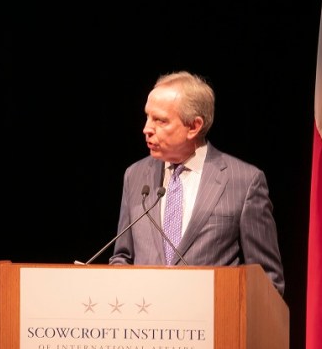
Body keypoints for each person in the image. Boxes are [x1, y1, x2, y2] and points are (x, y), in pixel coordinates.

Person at [109, 70, 285, 296]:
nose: (147, 129)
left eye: (160, 120)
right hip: (147, 321)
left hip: (214, 323)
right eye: (147, 117)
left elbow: (266, 280)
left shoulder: (244, 181)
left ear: (194, 126)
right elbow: (122, 256)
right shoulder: (135, 175)